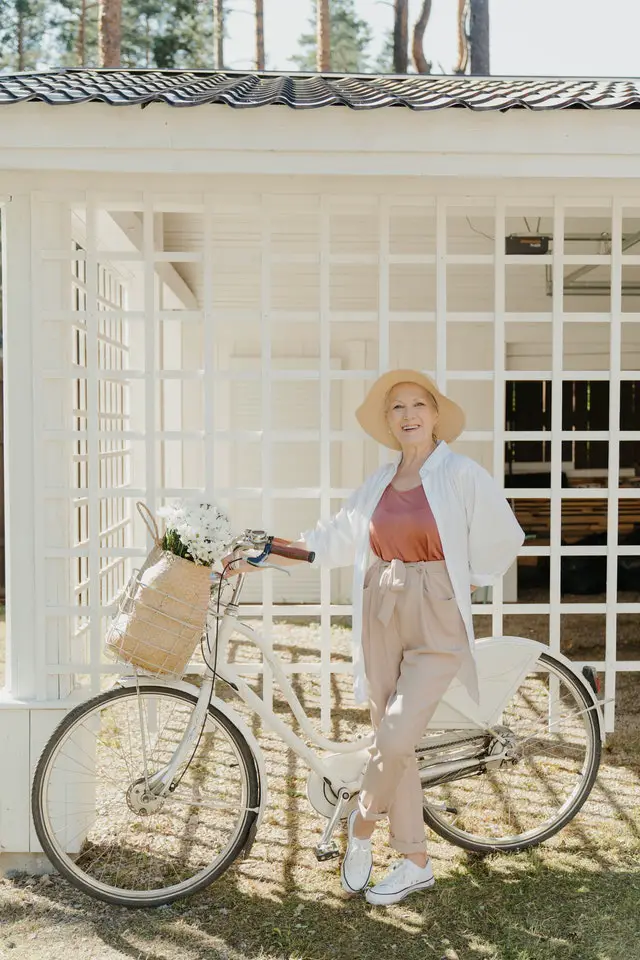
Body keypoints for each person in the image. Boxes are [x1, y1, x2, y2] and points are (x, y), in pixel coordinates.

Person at [222, 368, 525, 907]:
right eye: (397, 408)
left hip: (436, 615)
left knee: (393, 737)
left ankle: (359, 830)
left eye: (418, 405)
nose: (408, 416)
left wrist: (460, 580)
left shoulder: (461, 474)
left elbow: (504, 536)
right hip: (380, 610)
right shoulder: (380, 482)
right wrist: (268, 554)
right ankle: (414, 862)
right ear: (388, 422)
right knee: (396, 741)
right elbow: (336, 536)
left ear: (435, 415)